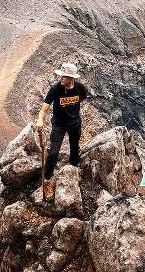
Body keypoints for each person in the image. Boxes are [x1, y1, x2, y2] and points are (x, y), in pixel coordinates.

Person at [35, 62, 89, 200]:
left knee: (74, 148)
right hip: (58, 125)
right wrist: (40, 120)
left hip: (75, 123)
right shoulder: (55, 89)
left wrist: (71, 108)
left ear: (71, 78)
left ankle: (73, 170)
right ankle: (47, 180)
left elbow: (83, 97)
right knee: (53, 153)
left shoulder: (80, 88)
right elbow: (44, 108)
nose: (61, 79)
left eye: (63, 77)